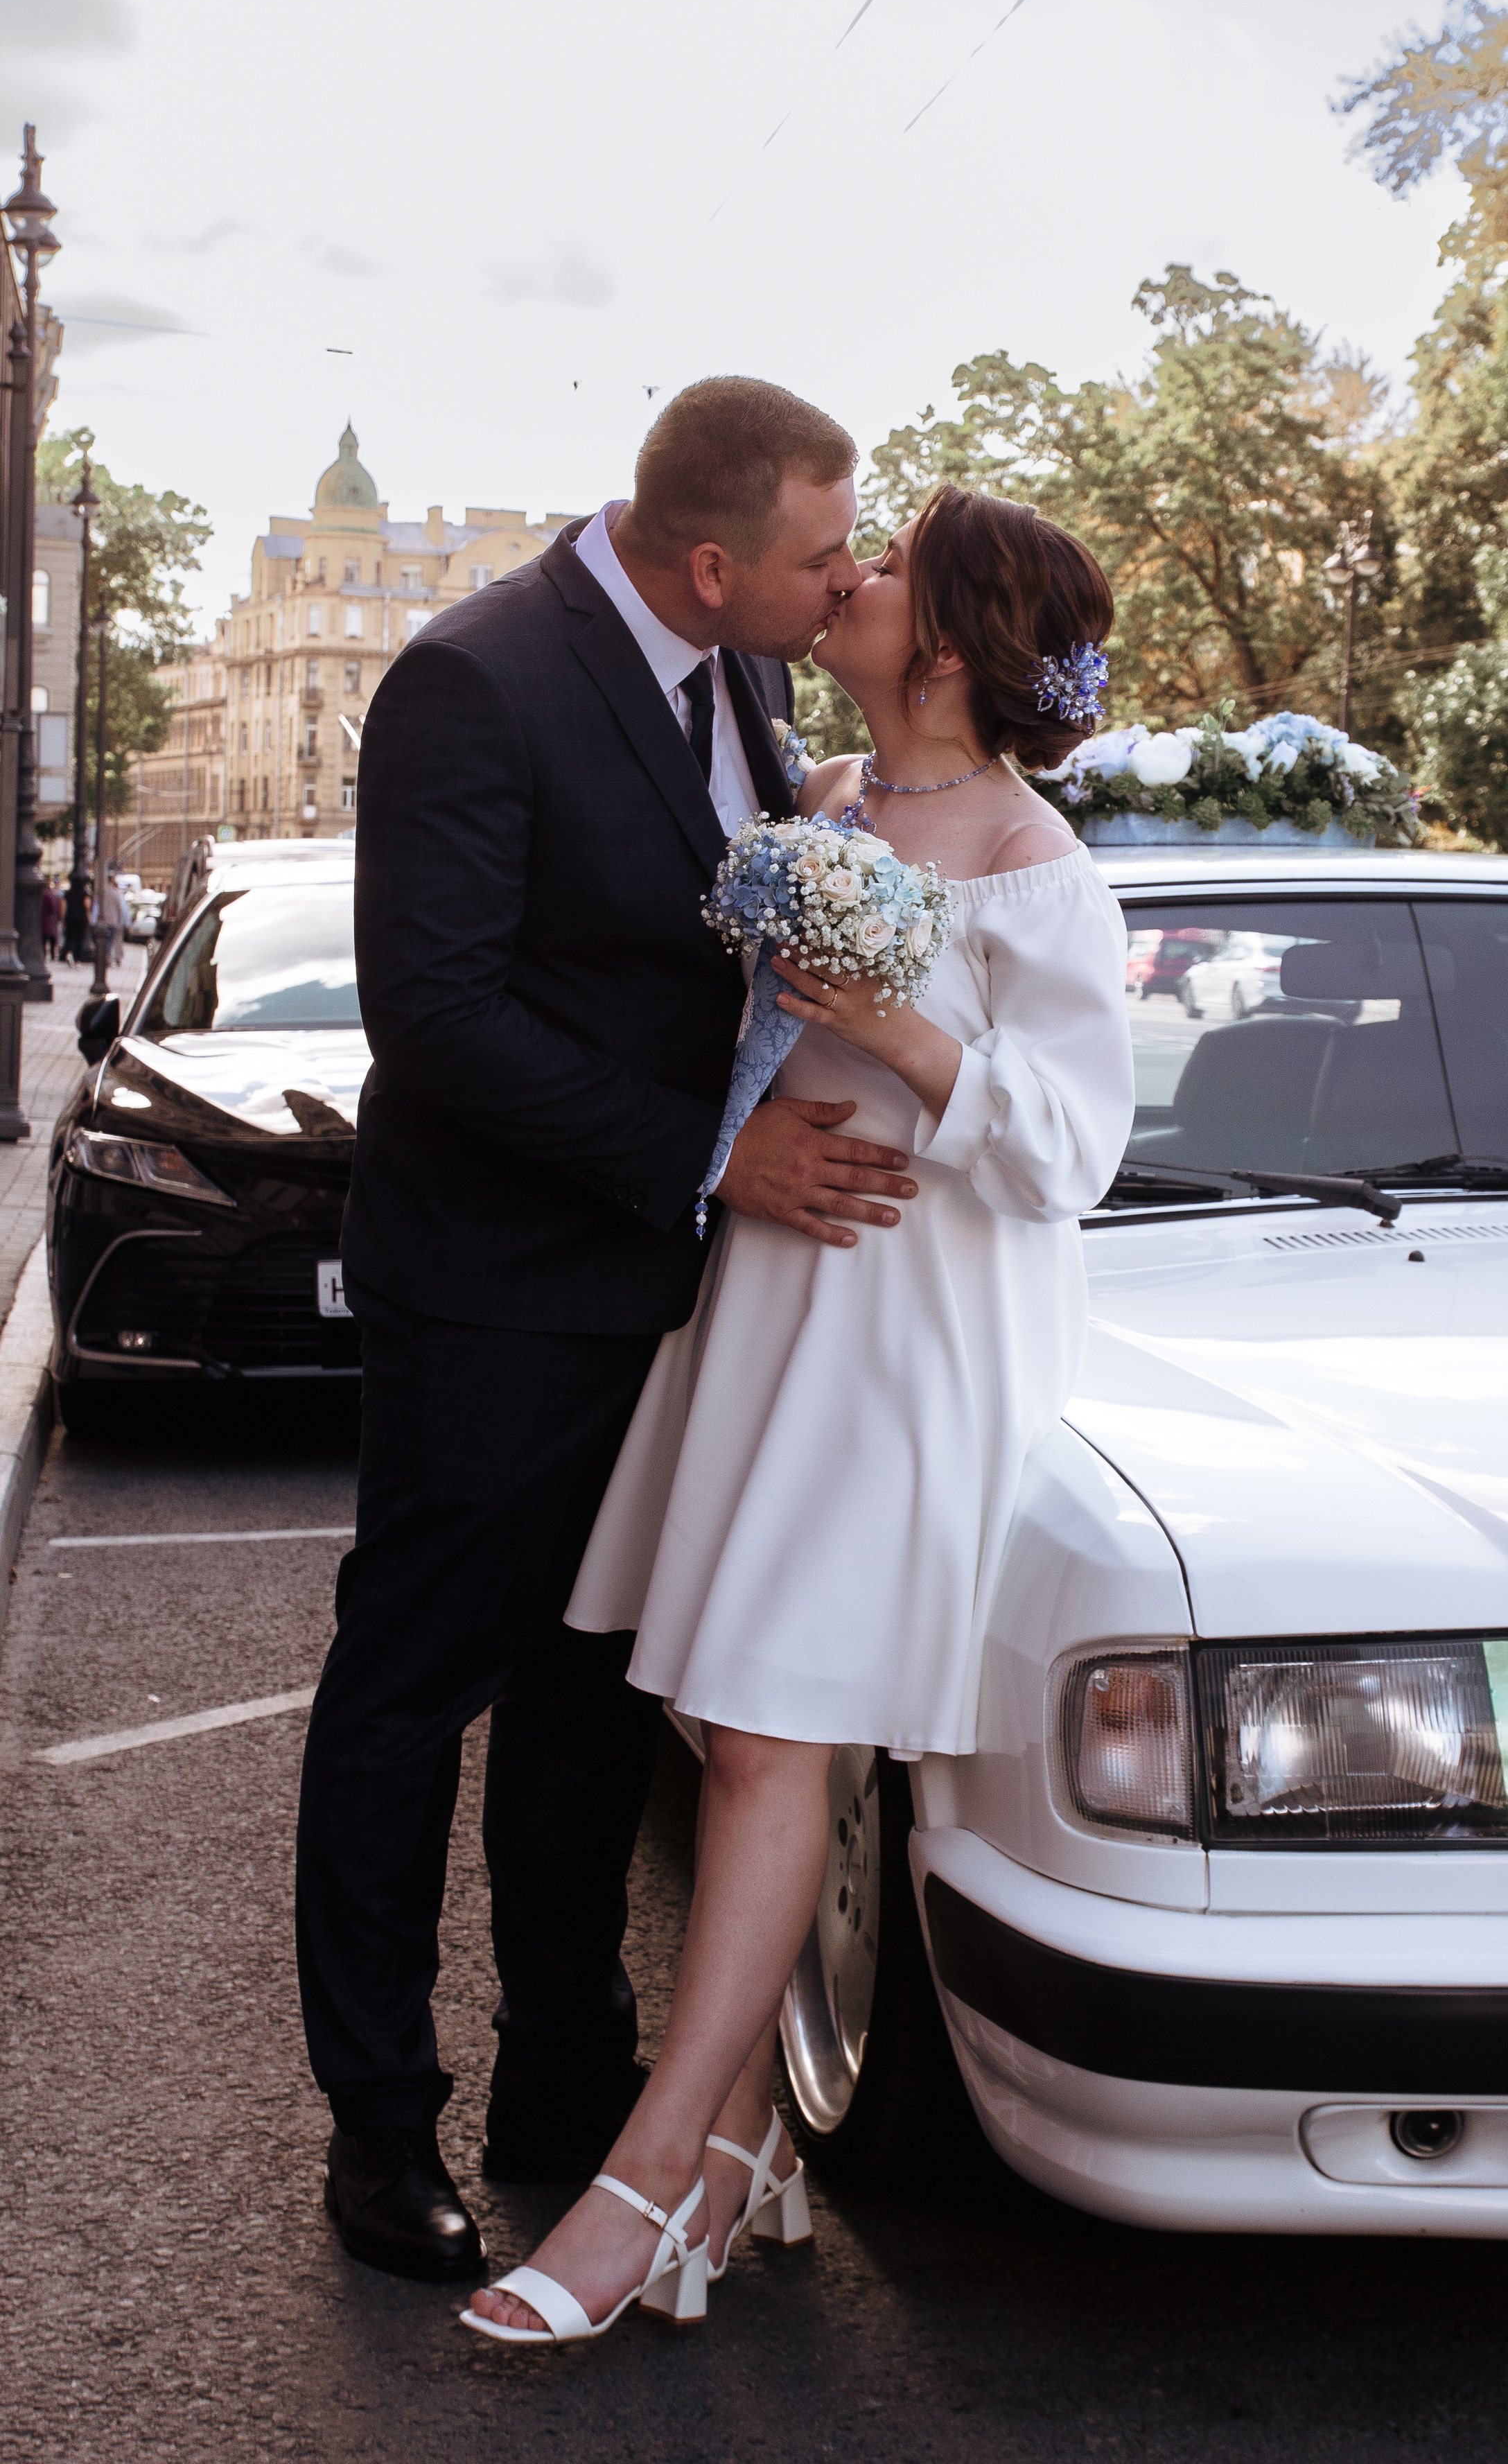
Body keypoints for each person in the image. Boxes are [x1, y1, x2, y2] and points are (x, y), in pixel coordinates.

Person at [464, 484, 1134, 2345]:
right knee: (720, 1706)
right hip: (768, 1300)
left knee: (769, 1734)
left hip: (914, 1326)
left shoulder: (1037, 859)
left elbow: (1073, 1152)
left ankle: (649, 2173)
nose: (849, 580)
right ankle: (751, 2140)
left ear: (948, 639)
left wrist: (911, 1031)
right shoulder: (818, 795)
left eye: (889, 565)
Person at [296, 378, 922, 2287]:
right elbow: (440, 1012)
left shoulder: (742, 676)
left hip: (662, 1295)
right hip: (495, 1288)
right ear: (715, 560)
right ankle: (381, 2135)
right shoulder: (475, 679)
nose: (849, 583)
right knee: (414, 1699)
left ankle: (562, 2088)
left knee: (584, 1709)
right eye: (826, 554)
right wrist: (712, 1164)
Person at [40, 880, 62, 962]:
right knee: (52, 937)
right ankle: (52, 955)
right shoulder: (50, 896)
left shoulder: (41, 895)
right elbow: (52, 909)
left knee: (43, 939)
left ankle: (44, 954)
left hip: (42, 920)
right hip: (49, 920)